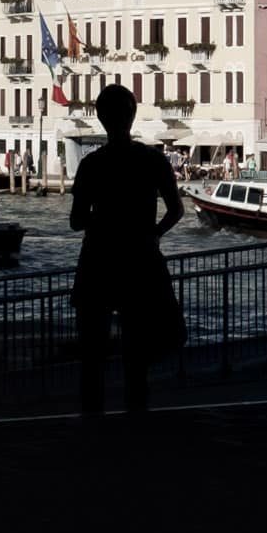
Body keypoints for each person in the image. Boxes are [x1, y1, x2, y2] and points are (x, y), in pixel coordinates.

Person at [70, 85, 184, 416]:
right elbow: (175, 210)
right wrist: (153, 234)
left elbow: (77, 221)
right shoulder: (153, 160)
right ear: (132, 115)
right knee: (136, 353)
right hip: (140, 261)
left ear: (101, 117)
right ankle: (136, 420)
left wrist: (105, 219)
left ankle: (92, 422)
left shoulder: (92, 164)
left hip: (97, 261)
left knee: (92, 355)